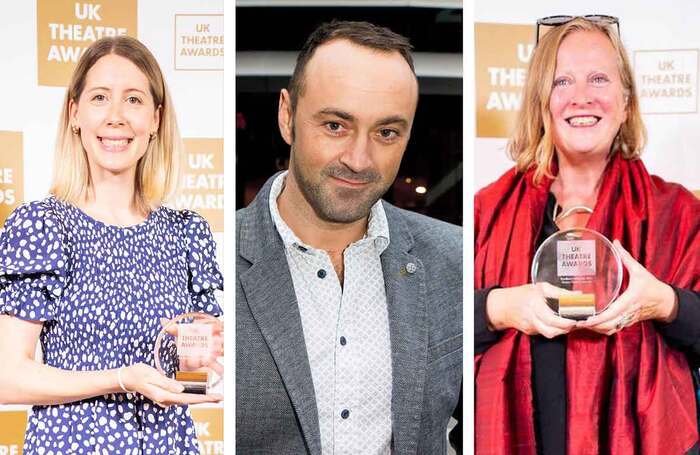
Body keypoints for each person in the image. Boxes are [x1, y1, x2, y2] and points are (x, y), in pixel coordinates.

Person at [474, 17, 700, 454]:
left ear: (626, 102)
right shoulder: (485, 210)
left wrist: (665, 303)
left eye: (599, 78)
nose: (581, 97)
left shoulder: (681, 212)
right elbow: (434, 335)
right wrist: (498, 306)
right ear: (542, 102)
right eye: (562, 81)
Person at [236, 21, 462, 454]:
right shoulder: (213, 258)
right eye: (336, 125)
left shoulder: (452, 258)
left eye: (386, 133)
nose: (359, 160)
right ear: (287, 117)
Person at [0, 36, 223, 453]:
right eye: (100, 97)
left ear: (156, 119)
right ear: (75, 114)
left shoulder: (186, 232)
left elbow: (192, 377)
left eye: (134, 100)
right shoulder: (44, 226)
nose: (117, 117)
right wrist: (122, 378)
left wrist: (198, 354)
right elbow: (7, 378)